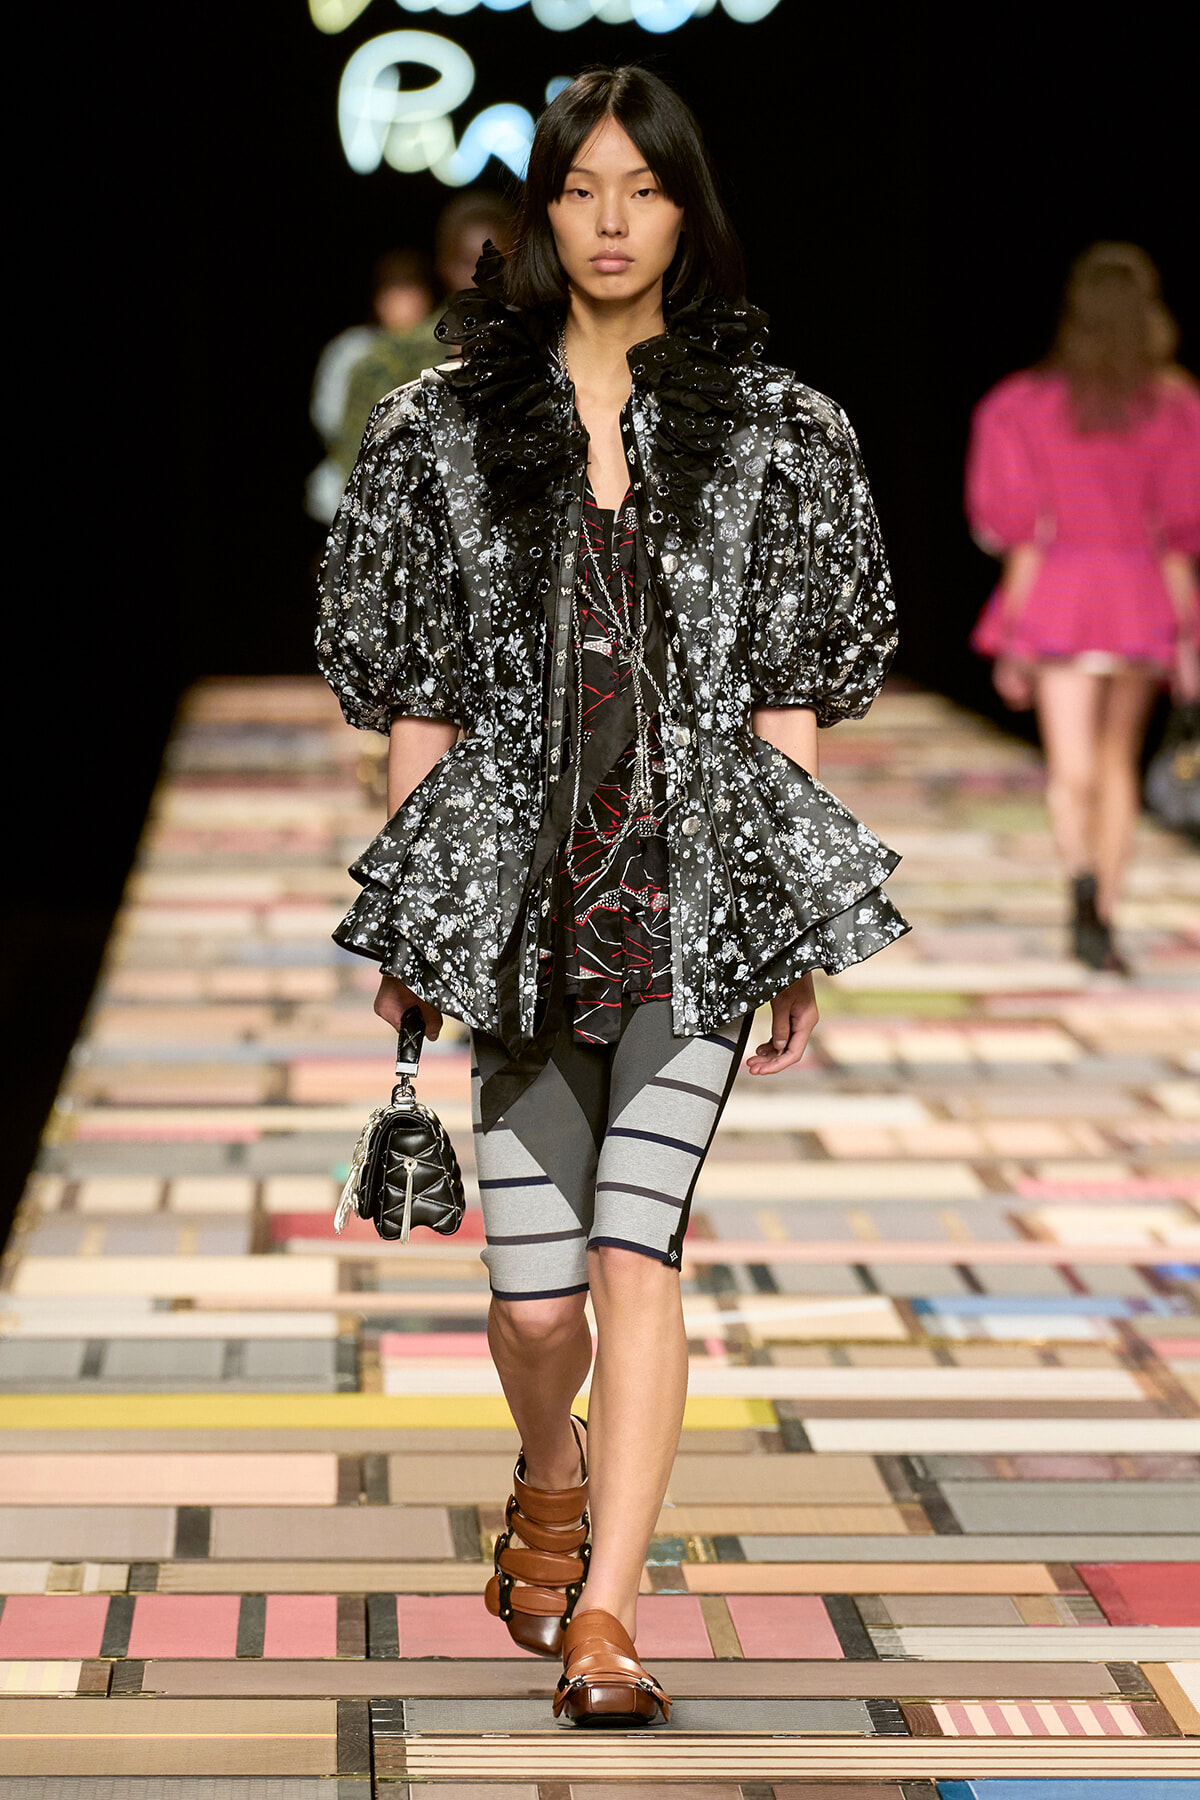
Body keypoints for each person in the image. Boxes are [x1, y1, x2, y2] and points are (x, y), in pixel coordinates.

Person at [317, 65, 907, 1727]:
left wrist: (788, 901)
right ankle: (548, 1474)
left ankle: (613, 1617)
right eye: (582, 189)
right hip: (509, 900)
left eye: (642, 189)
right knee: (531, 1301)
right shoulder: (443, 426)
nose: (610, 221)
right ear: (540, 211)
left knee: (639, 1251)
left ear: (686, 208)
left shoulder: (775, 428)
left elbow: (788, 678)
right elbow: (415, 689)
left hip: (695, 894)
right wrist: (415, 909)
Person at [968, 243, 1200, 973]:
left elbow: (1020, 533)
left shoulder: (1021, 407)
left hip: (1059, 601)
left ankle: (1080, 884)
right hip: (1138, 600)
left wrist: (1010, 631)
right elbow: (1178, 537)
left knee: (1071, 766)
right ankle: (1103, 913)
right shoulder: (1177, 409)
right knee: (1116, 764)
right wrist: (1189, 638)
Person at [335, 194, 514, 487]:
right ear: (444, 265)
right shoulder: (386, 363)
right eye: (468, 262)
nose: (484, 278)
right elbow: (357, 481)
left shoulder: (547, 359)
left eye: (499, 262)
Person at [306, 247, 439, 524]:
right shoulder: (353, 352)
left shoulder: (444, 349)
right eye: (393, 292)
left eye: (409, 291)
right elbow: (329, 417)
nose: (402, 303)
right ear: (377, 299)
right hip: (358, 482)